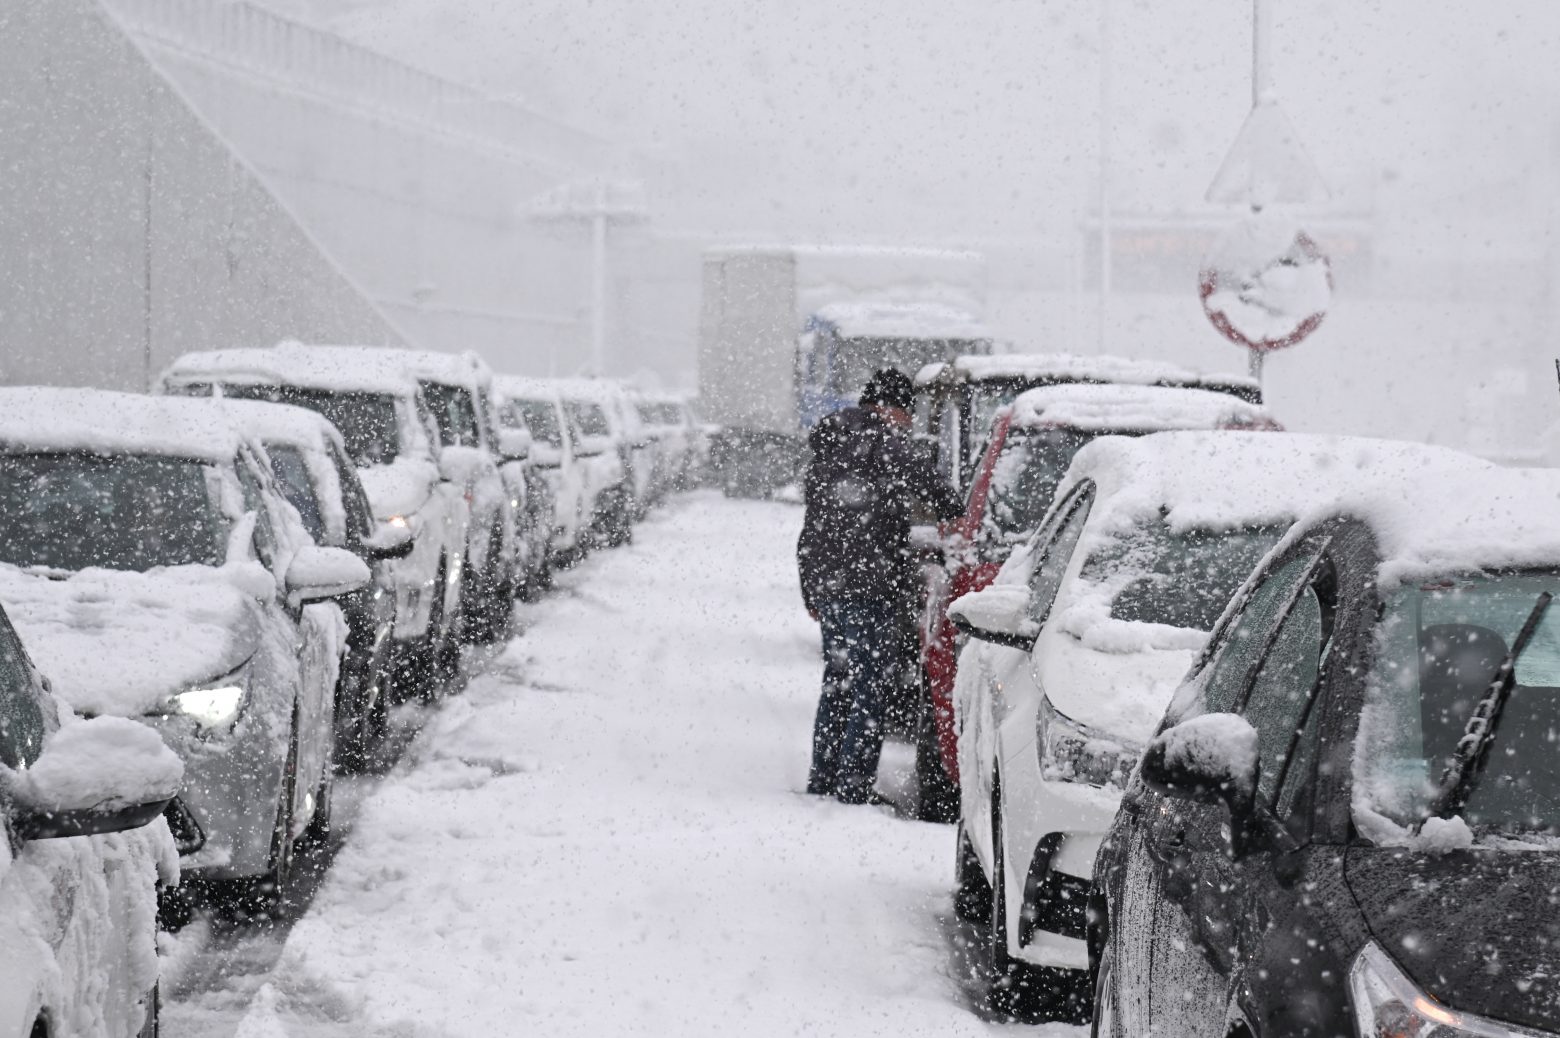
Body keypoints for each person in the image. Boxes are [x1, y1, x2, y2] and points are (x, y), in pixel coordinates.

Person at [797, 367, 963, 805]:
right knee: (870, 688)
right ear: (893, 408)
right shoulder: (885, 441)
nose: (908, 423)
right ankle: (852, 786)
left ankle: (823, 775)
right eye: (906, 413)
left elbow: (811, 527)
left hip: (830, 584)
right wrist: (955, 508)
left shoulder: (831, 444)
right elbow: (931, 485)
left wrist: (812, 589)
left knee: (838, 682)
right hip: (869, 584)